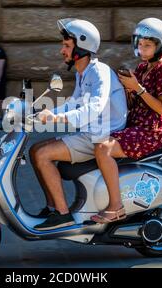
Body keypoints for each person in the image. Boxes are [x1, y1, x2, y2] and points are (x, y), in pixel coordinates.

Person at [30, 18, 127, 231]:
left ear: (81, 46)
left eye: (66, 45)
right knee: (34, 150)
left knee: (42, 154)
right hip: (89, 133)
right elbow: (74, 104)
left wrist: (55, 119)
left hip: (101, 135)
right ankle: (52, 206)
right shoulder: (82, 73)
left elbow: (93, 109)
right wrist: (42, 114)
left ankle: (63, 215)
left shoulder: (100, 72)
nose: (62, 50)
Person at [90, 18, 162, 224]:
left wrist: (137, 88)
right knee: (95, 137)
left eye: (147, 45)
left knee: (103, 148)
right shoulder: (141, 68)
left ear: (160, 46)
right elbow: (135, 102)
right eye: (140, 44)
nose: (142, 49)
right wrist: (127, 89)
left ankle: (115, 207)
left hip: (151, 131)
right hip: (135, 125)